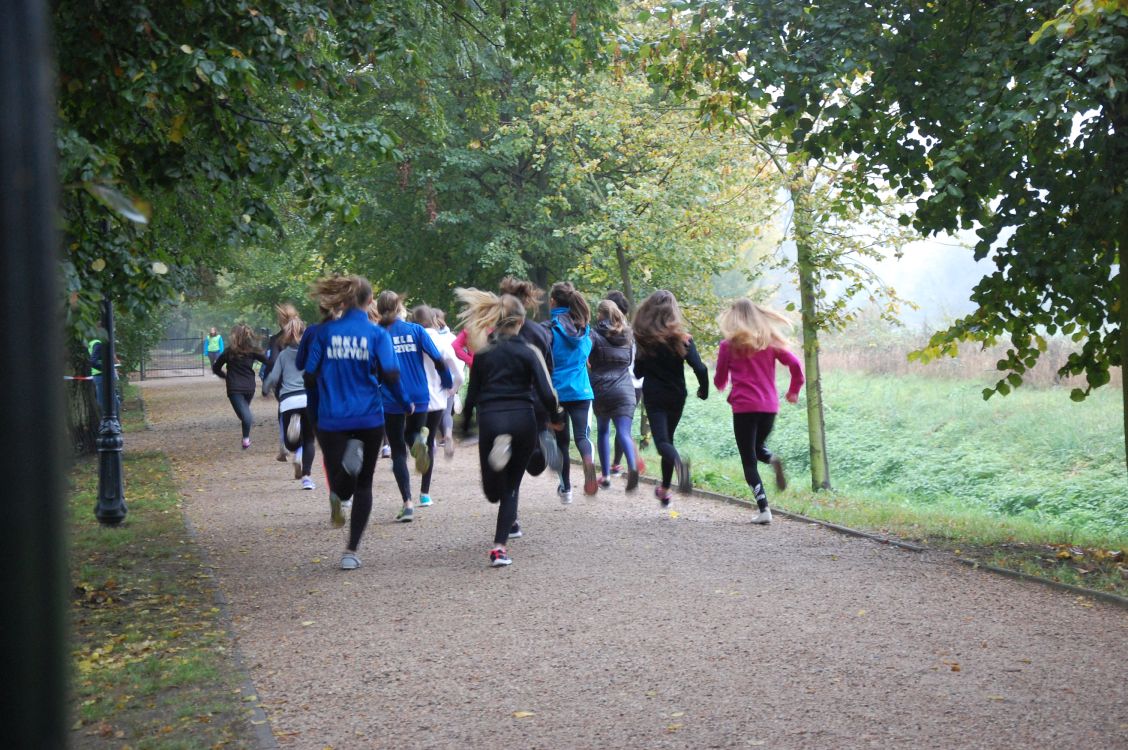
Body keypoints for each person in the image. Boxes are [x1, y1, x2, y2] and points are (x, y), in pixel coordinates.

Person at [302, 275, 411, 570]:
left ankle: (341, 486)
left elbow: (309, 375)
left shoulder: (324, 333)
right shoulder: (377, 335)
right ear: (369, 301)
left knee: (341, 481)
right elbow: (390, 374)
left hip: (332, 416)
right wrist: (404, 402)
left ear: (345, 298)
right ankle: (351, 551)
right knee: (364, 485)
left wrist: (318, 402)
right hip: (369, 415)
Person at [457, 288, 562, 567]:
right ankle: (499, 549)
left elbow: (472, 396)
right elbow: (547, 392)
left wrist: (465, 426)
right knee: (510, 489)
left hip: (491, 420)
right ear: (519, 321)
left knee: (492, 491)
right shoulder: (528, 352)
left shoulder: (482, 354)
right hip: (522, 419)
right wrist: (555, 417)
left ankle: (499, 452)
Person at [714, 299, 805, 524]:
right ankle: (772, 458)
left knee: (748, 460)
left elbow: (719, 379)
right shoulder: (770, 342)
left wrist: (723, 385)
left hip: (744, 407)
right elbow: (796, 367)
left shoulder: (728, 345)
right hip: (769, 408)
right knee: (758, 448)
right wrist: (793, 390)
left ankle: (764, 509)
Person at [373, 291, 452, 523]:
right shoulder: (416, 330)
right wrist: (445, 380)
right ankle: (417, 441)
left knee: (397, 451)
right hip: (420, 397)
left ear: (379, 309)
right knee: (413, 434)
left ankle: (407, 503)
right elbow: (437, 357)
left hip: (392, 399)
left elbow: (374, 369)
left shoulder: (377, 335)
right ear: (400, 307)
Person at [498, 276, 562, 538]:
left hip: (504, 403)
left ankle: (510, 520)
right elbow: (549, 371)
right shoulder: (540, 332)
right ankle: (541, 451)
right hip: (534, 403)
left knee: (510, 464)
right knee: (526, 463)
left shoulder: (496, 331)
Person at [632, 290, 708, 505]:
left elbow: (638, 372)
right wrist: (704, 390)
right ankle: (665, 489)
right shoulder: (683, 340)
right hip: (677, 395)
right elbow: (700, 368)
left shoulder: (646, 340)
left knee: (663, 442)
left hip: (655, 396)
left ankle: (679, 464)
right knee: (669, 440)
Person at [546, 281, 597, 501]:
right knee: (582, 437)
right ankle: (588, 461)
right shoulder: (585, 330)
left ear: (553, 302)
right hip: (582, 392)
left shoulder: (549, 329)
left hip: (557, 393)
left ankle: (566, 489)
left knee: (561, 443)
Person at [411, 304, 464, 506]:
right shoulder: (442, 342)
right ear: (433, 321)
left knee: (412, 436)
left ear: (414, 322)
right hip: (438, 400)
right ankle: (425, 494)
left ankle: (417, 441)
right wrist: (452, 389)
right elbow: (457, 373)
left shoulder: (410, 341)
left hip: (416, 400)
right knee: (431, 440)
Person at [588, 300, 641, 492]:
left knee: (603, 431)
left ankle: (607, 476)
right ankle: (633, 467)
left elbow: (586, 357)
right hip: (625, 388)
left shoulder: (593, 334)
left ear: (601, 315)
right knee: (624, 432)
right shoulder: (628, 335)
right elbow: (629, 361)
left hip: (602, 388)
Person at [261, 313, 317, 489]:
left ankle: (296, 448)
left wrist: (265, 389)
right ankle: (307, 477)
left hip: (288, 401)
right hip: (308, 399)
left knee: (289, 442)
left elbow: (274, 377)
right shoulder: (311, 353)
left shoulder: (284, 355)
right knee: (309, 440)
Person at [603, 290, 646, 477]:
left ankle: (617, 464)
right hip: (637, 385)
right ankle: (616, 464)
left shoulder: (609, 332)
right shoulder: (634, 332)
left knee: (613, 427)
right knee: (623, 426)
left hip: (617, 382)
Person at [211, 323, 268, 448]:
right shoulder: (248, 351)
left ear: (234, 336)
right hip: (245, 388)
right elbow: (269, 362)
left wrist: (224, 376)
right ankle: (246, 437)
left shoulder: (230, 351)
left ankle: (245, 439)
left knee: (245, 415)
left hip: (238, 388)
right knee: (244, 414)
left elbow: (215, 368)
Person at [263, 304, 301, 462]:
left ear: (280, 321)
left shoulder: (276, 340)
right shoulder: (306, 336)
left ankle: (284, 447)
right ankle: (301, 448)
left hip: (283, 386)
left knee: (283, 413)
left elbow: (271, 361)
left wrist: (268, 381)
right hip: (304, 384)